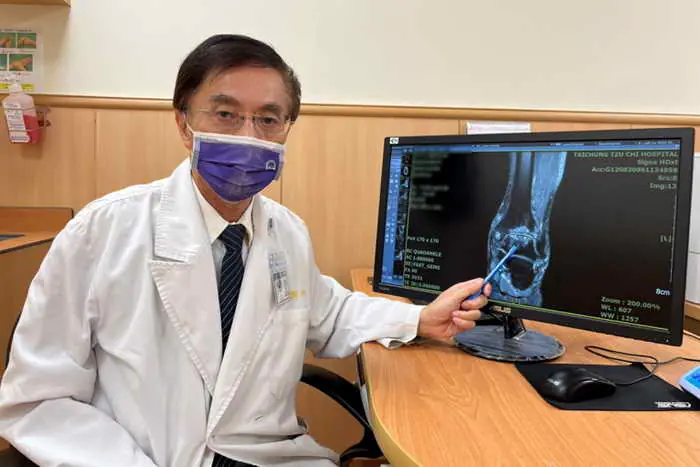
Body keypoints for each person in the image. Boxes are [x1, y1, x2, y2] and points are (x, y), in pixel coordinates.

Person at [0, 34, 490, 467]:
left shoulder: (286, 232)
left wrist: (419, 319)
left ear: (287, 128)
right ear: (184, 123)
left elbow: (328, 311)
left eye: (268, 119)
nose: (248, 137)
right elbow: (37, 401)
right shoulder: (103, 231)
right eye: (226, 114)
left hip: (265, 457)